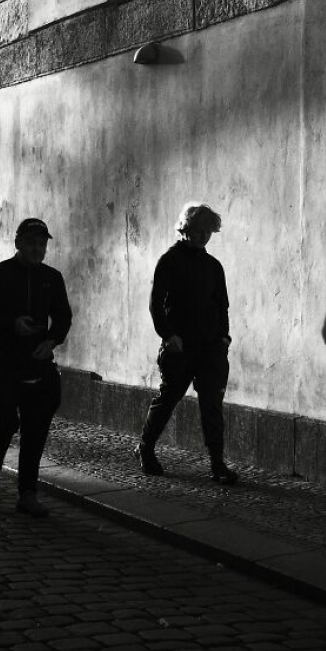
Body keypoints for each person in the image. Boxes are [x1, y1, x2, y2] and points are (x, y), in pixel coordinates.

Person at [0, 217, 72, 517]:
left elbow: (63, 316)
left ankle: (27, 493)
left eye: (42, 243)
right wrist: (11, 324)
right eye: (31, 242)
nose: (37, 248)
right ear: (18, 243)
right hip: (4, 364)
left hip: (38, 363)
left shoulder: (52, 277)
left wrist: (51, 341)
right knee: (3, 421)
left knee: (36, 429)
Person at [135, 202, 238, 484]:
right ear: (186, 228)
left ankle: (217, 464)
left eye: (209, 231)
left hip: (210, 347)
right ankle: (145, 447)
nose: (204, 236)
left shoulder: (213, 266)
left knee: (212, 405)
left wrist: (224, 338)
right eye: (199, 230)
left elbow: (222, 306)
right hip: (179, 347)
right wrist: (168, 335)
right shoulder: (169, 261)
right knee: (168, 399)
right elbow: (156, 303)